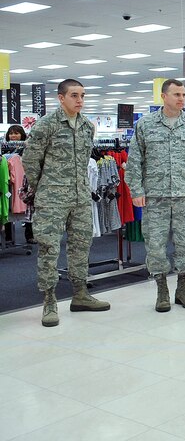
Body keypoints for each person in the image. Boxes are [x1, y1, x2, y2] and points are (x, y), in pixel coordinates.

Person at [22, 79, 111, 327]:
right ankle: (49, 301)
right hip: (52, 198)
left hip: (80, 197)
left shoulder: (86, 127)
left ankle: (80, 294)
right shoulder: (46, 125)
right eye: (74, 95)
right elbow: (30, 161)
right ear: (61, 98)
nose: (80, 100)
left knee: (81, 245)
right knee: (49, 248)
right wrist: (44, 188)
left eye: (82, 95)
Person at [126, 79, 185, 312]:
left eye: (184, 95)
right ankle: (162, 290)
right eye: (176, 94)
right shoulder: (145, 125)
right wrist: (136, 189)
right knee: (155, 246)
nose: (181, 99)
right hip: (155, 198)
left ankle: (183, 288)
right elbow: (135, 160)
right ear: (163, 96)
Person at [3, 125, 35, 244]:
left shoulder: (27, 148)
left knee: (28, 207)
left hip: (25, 180)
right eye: (11, 133)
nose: (13, 136)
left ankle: (29, 235)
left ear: (22, 134)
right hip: (9, 181)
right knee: (8, 205)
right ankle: (8, 236)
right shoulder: (4, 149)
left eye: (16, 133)